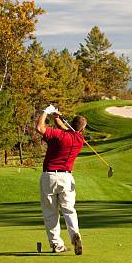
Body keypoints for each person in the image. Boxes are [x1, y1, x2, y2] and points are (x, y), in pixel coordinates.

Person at [35, 104, 86, 255]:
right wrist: (56, 117)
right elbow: (67, 129)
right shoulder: (79, 139)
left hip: (49, 176)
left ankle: (57, 245)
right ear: (81, 129)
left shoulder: (58, 135)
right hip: (66, 178)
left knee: (51, 213)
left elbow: (39, 128)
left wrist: (46, 111)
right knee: (69, 210)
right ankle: (75, 235)